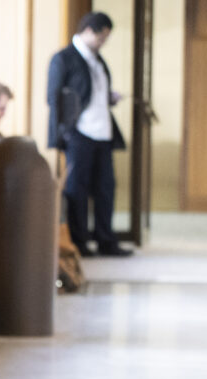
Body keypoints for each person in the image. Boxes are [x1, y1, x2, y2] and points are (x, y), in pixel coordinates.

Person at [48, 12, 132, 257]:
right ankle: (79, 241)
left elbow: (93, 93)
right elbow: (54, 99)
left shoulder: (98, 60)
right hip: (78, 133)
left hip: (103, 132)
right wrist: (59, 136)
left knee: (106, 187)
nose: (103, 42)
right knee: (77, 188)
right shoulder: (63, 59)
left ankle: (106, 240)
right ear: (88, 31)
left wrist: (110, 97)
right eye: (102, 36)